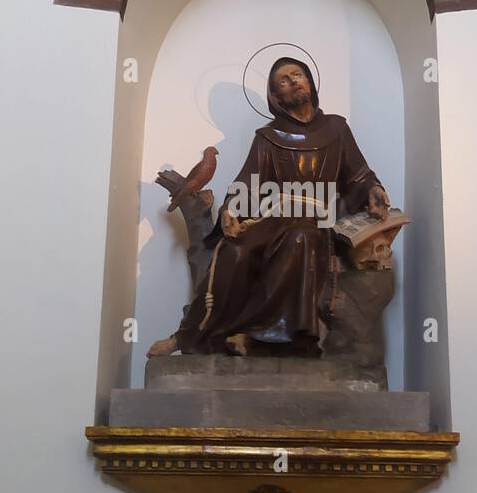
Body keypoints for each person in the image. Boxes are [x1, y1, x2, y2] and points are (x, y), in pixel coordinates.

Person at [147, 57, 389, 357]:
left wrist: (373, 189)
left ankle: (262, 338)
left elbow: (358, 174)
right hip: (271, 219)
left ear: (310, 81)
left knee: (300, 237)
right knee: (233, 251)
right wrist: (230, 210)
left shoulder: (337, 128)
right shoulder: (268, 138)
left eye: (297, 74)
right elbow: (248, 183)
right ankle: (190, 336)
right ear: (276, 97)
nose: (294, 82)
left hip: (314, 220)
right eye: (284, 81)